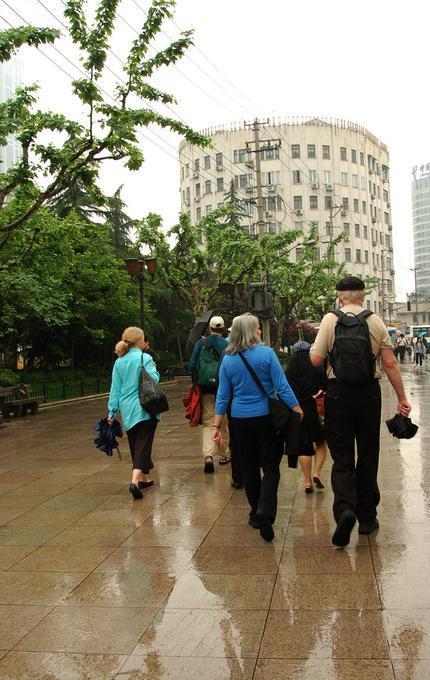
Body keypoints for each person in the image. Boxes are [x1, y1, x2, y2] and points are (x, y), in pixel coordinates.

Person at [310, 276, 412, 547]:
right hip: (369, 394)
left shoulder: (330, 320)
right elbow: (389, 364)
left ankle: (344, 509)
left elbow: (317, 359)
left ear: (340, 296)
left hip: (337, 394)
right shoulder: (376, 321)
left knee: (341, 455)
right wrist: (402, 398)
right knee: (368, 453)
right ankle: (367, 517)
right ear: (363, 296)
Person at [213, 313, 303, 542]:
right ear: (251, 331)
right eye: (257, 328)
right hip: (265, 418)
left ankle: (255, 513)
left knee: (249, 467)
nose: (260, 331)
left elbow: (223, 394)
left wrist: (216, 424)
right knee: (271, 466)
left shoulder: (228, 358)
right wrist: (296, 407)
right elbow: (281, 386)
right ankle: (266, 510)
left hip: (239, 419)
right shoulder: (266, 354)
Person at [108, 326, 160, 500]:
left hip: (127, 409)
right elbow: (155, 379)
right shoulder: (145, 358)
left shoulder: (119, 362)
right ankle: (135, 481)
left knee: (135, 444)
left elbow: (115, 389)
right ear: (140, 341)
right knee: (143, 444)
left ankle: (144, 478)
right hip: (145, 406)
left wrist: (112, 412)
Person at [285, 340, 328, 494]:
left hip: (297, 412)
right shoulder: (317, 367)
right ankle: (317, 472)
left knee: (304, 447)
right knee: (321, 443)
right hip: (314, 409)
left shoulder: (289, 371)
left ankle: (308, 481)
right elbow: (325, 386)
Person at [188, 316, 230, 473]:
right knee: (222, 421)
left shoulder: (201, 343)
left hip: (205, 389)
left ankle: (208, 456)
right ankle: (223, 454)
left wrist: (195, 382)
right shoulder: (227, 345)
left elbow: (192, 365)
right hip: (222, 389)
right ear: (223, 328)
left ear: (210, 328)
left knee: (208, 422)